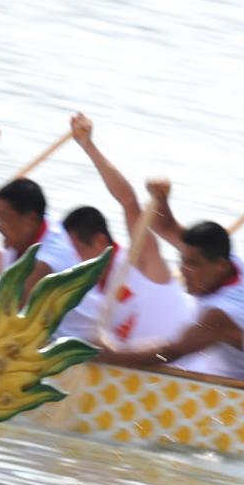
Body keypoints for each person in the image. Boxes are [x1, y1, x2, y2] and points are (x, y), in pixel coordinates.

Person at [95, 183, 244, 388]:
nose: (183, 269)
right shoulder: (233, 264)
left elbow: (169, 352)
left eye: (193, 264)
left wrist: (110, 353)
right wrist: (162, 198)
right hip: (243, 382)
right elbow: (167, 227)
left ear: (219, 266)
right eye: (183, 260)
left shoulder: (221, 314)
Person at [61, 114, 194, 349]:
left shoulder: (139, 261)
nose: (72, 261)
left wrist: (88, 146)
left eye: (77, 252)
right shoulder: (86, 292)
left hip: (189, 373)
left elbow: (129, 202)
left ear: (100, 241)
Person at [0, 123, 80, 305]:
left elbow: (4, 316)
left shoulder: (45, 263)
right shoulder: (29, 225)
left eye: (2, 218)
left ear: (30, 219)